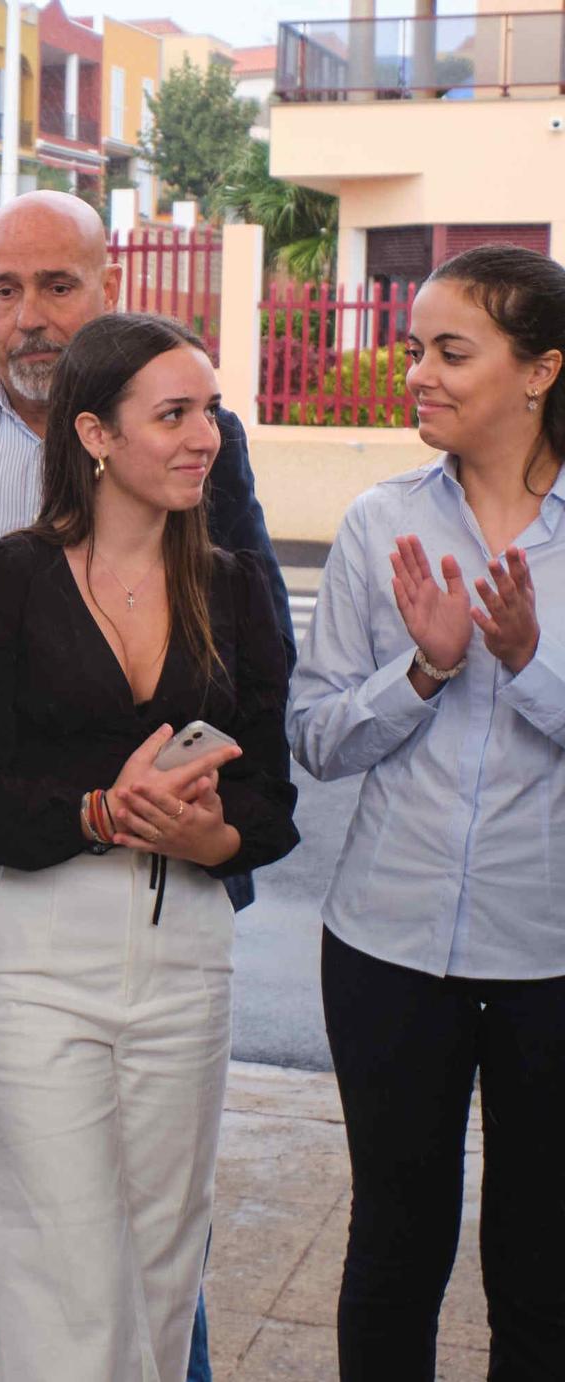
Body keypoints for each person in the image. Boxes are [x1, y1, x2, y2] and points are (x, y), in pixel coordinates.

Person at [0, 190, 291, 1382]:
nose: (28, 316)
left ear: (102, 284)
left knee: (154, 1223)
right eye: (2, 290)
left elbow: (259, 735)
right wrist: (90, 811)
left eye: (56, 288)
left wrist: (207, 828)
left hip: (173, 928)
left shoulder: (204, 505)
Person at [287, 244, 565, 1381]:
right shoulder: (377, 522)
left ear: (540, 368)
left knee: (541, 1268)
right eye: (413, 350)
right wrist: (423, 670)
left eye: (451, 351)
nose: (417, 375)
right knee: (391, 1251)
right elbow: (312, 735)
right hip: (385, 946)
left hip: (548, 955)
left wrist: (524, 663)